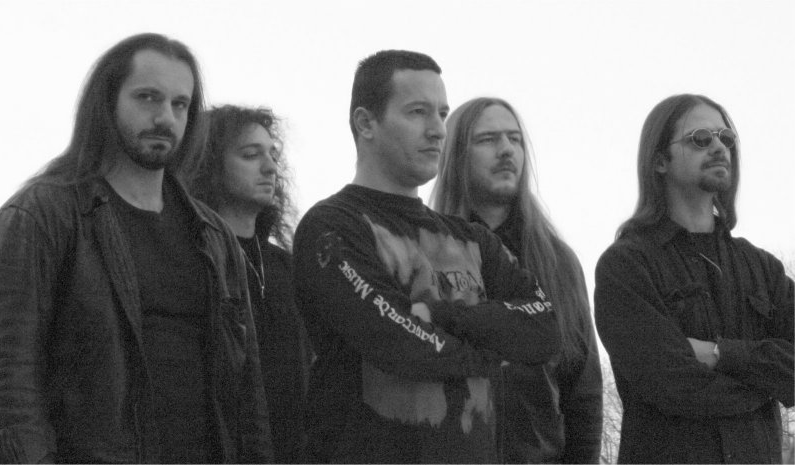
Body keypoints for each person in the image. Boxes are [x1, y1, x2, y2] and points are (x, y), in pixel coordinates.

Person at [0, 33, 272, 464]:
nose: (165, 117)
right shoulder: (41, 217)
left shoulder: (214, 236)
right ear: (106, 103)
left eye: (180, 104)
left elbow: (247, 394)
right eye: (148, 97)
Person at [292, 49, 561, 464]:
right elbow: (397, 343)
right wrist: (495, 353)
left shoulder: (473, 239)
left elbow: (544, 329)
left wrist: (440, 316)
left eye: (442, 114)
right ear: (366, 123)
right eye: (418, 112)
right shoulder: (332, 227)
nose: (437, 130)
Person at [594, 93, 794, 463]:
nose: (719, 147)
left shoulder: (762, 268)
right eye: (700, 138)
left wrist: (721, 354)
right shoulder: (626, 265)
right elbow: (672, 386)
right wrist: (769, 381)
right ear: (659, 161)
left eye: (725, 138)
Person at [431, 97, 603, 463]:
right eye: (488, 139)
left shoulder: (557, 261)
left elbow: (582, 393)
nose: (507, 149)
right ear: (456, 155)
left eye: (515, 139)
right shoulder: (423, 252)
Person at [188, 104, 311, 463]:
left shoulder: (286, 266)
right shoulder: (193, 261)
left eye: (272, 154)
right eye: (250, 155)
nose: (270, 167)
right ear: (210, 165)